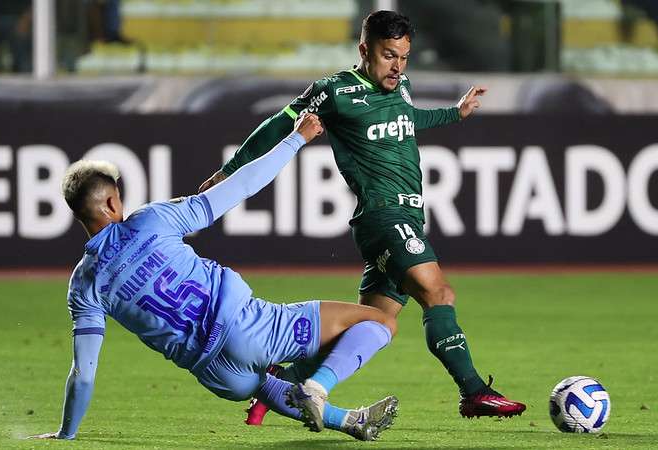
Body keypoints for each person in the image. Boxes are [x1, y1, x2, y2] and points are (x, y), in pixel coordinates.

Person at [198, 10, 526, 425]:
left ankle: (276, 386)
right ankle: (475, 392)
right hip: (384, 217)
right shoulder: (334, 92)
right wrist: (228, 172)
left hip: (405, 216)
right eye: (389, 55)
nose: (397, 66)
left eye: (404, 57)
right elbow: (276, 126)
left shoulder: (400, 85)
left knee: (373, 324)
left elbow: (407, 120)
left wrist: (454, 113)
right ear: (364, 49)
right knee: (438, 293)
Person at [28, 113, 400, 442]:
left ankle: (352, 421)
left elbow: (84, 372)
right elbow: (241, 186)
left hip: (217, 375)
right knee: (380, 322)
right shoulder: (152, 220)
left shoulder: (84, 284)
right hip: (250, 328)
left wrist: (67, 434)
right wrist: (296, 138)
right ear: (111, 203)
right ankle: (320, 387)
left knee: (268, 386)